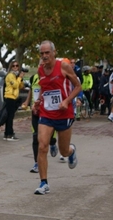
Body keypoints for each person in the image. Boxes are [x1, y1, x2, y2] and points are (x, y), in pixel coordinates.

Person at [33, 40, 82, 195]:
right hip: (47, 112)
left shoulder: (63, 66)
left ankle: (71, 151)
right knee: (42, 146)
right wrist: (39, 101)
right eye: (42, 53)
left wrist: (67, 101)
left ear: (54, 52)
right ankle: (44, 183)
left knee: (63, 150)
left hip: (63, 113)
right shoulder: (40, 69)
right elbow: (44, 87)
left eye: (47, 53)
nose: (45, 56)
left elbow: (78, 86)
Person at [22, 72, 58, 173]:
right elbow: (31, 91)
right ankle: (37, 163)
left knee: (49, 136)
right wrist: (27, 101)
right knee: (35, 137)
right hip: (36, 110)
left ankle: (53, 142)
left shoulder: (51, 77)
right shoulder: (34, 77)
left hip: (47, 110)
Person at [3, 60, 25, 141]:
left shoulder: (16, 76)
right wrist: (19, 78)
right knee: (10, 117)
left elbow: (20, 86)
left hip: (14, 97)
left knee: (10, 116)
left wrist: (21, 79)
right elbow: (15, 85)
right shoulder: (10, 75)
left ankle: (7, 133)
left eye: (17, 66)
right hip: (9, 97)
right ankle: (9, 134)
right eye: (13, 66)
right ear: (11, 67)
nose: (15, 67)